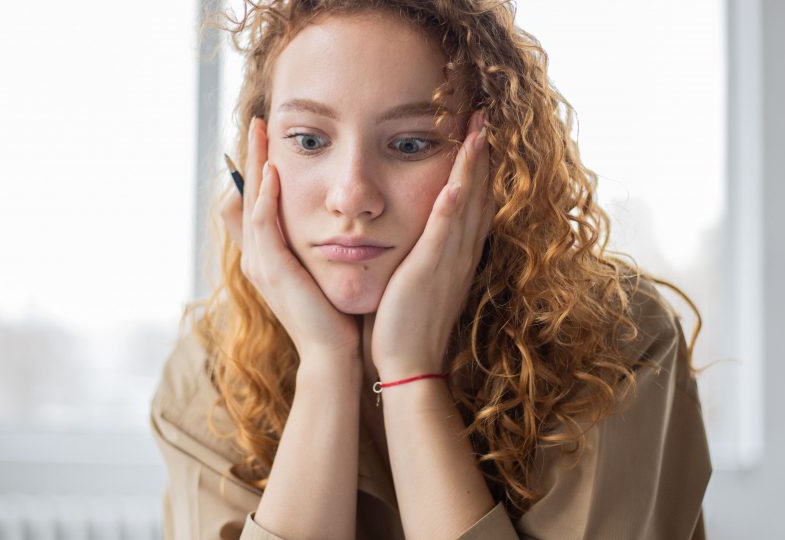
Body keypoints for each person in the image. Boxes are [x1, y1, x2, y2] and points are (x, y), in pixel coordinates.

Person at [150, 0, 713, 538]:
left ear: (494, 162)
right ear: (258, 159)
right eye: (309, 140)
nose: (352, 196)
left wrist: (410, 376)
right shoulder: (209, 373)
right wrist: (326, 365)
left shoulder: (617, 346)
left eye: (411, 142)